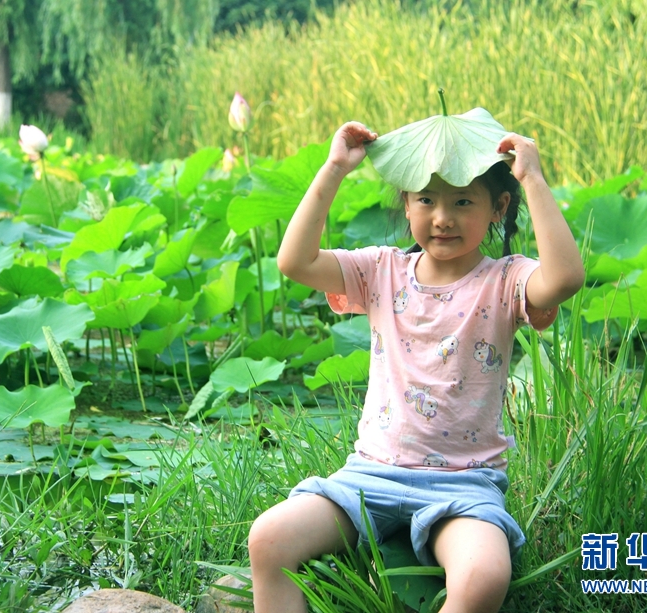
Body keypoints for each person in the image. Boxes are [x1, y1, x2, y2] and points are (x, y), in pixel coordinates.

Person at [249, 120, 585, 613]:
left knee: (484, 575)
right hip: (370, 474)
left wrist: (532, 179)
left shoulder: (506, 280)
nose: (442, 217)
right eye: (426, 200)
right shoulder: (379, 271)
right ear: (406, 204)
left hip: (464, 483)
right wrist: (334, 169)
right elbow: (295, 261)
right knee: (268, 539)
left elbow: (565, 278)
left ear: (499, 207)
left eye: (463, 202)